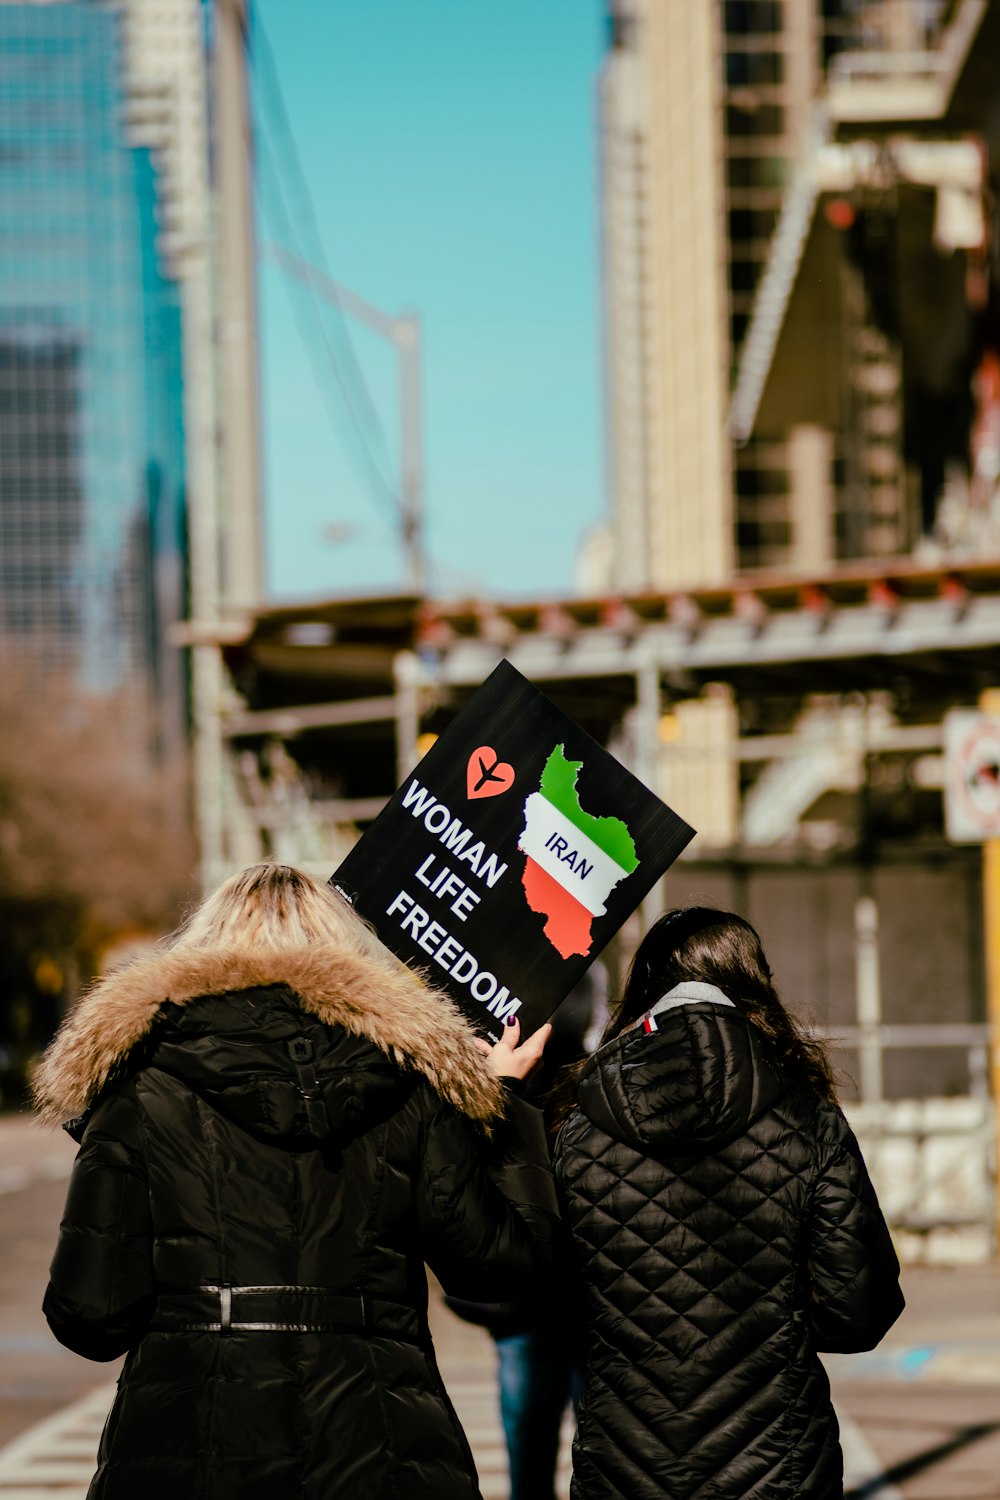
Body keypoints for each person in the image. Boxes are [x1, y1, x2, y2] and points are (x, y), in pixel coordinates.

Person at [34, 862, 555, 1500]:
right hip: (380, 1444)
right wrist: (501, 1103)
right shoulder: (412, 1086)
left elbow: (89, 1317)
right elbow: (501, 1268)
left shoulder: (142, 1088)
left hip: (186, 1446)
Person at [551, 906, 905, 1500]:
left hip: (624, 1463)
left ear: (643, 988)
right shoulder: (807, 1115)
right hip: (778, 1462)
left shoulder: (580, 1125)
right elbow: (858, 1312)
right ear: (754, 982)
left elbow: (549, 1303)